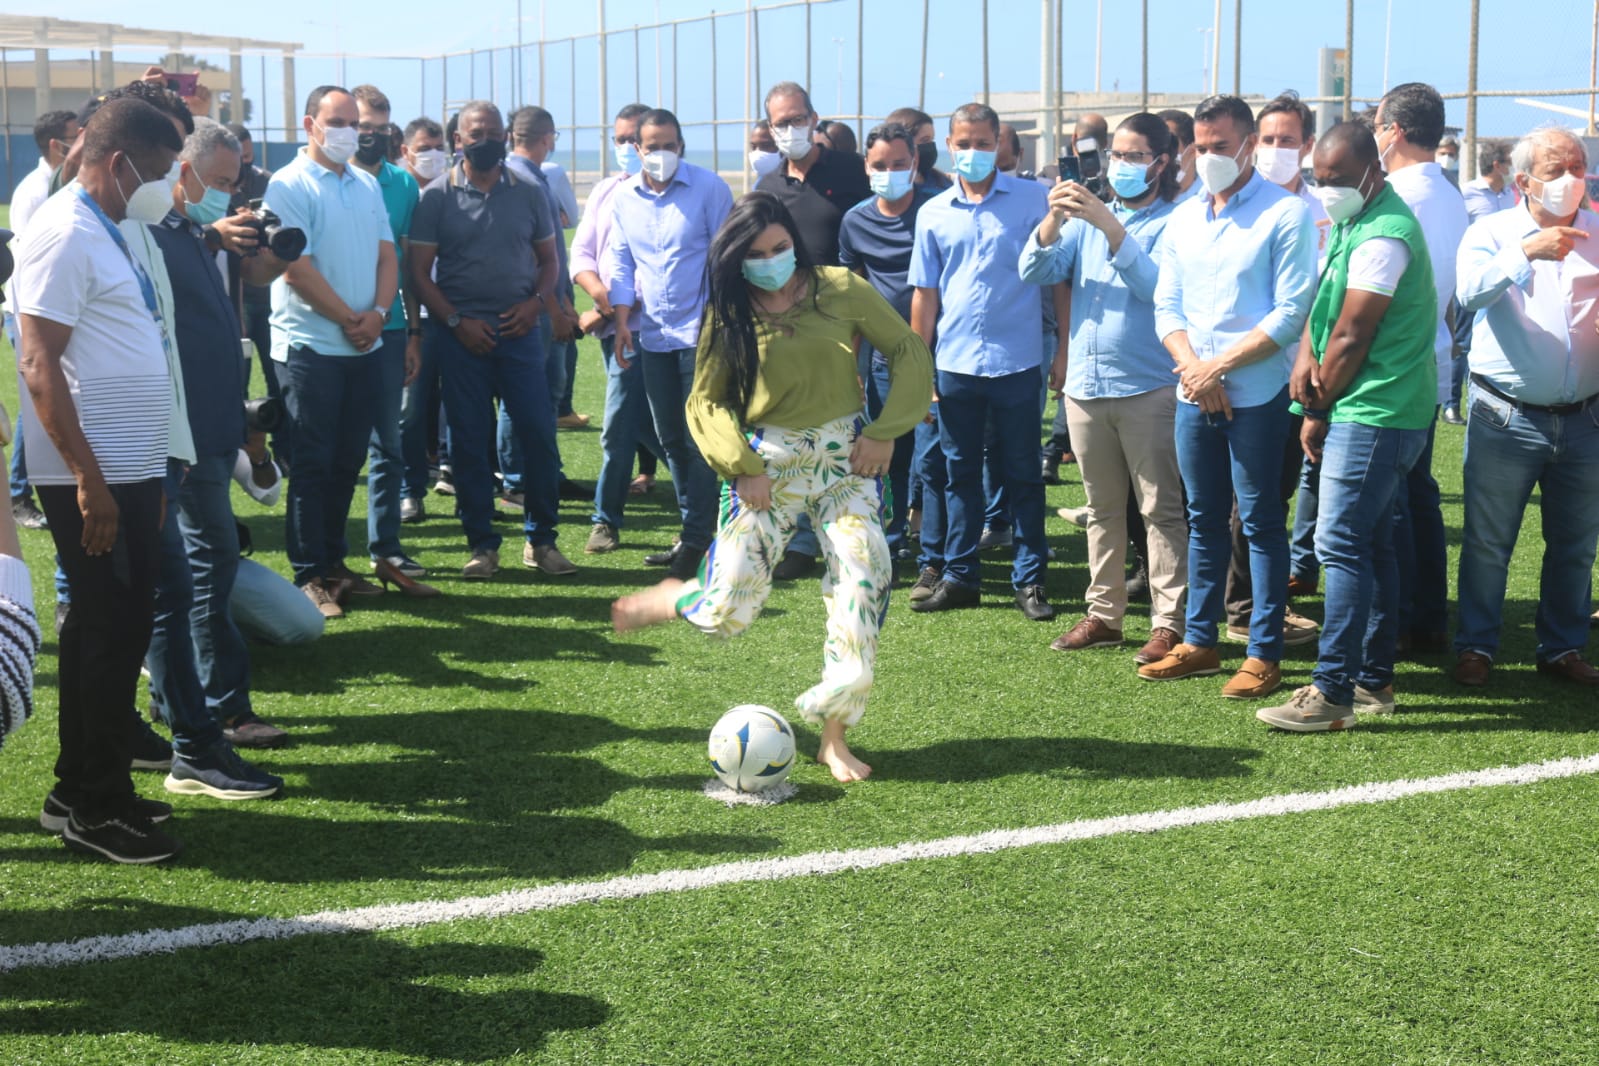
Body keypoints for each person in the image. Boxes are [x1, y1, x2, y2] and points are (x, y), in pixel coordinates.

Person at [611, 192, 933, 783]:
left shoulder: (840, 287)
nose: (772, 260)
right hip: (767, 468)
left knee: (865, 582)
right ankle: (680, 596)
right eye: (757, 253)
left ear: (795, 242)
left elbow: (907, 348)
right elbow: (706, 399)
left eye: (781, 247)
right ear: (737, 259)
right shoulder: (729, 312)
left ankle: (833, 739)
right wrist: (741, 466)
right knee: (729, 609)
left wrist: (886, 432)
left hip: (846, 465)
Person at [15, 97, 185, 863]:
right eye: (154, 172)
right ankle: (98, 808)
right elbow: (37, 362)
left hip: (128, 470)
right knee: (111, 635)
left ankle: (77, 787)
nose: (162, 187)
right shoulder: (61, 232)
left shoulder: (104, 227)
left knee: (107, 630)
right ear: (117, 164)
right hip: (97, 476)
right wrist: (91, 480)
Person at [1258, 123, 1437, 731]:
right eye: (1318, 179)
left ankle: (1333, 691)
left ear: (1371, 172)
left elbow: (1354, 332)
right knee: (1372, 542)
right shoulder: (1355, 223)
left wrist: (1316, 405)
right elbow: (1322, 310)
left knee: (1339, 545)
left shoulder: (1386, 234)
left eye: (1336, 180)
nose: (1324, 189)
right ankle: (1371, 679)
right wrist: (1307, 375)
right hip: (1366, 407)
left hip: (1379, 410)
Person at [1139, 94, 1316, 699]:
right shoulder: (1185, 217)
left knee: (1262, 522)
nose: (1209, 156)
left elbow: (1292, 311)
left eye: (1221, 146)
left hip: (1259, 395)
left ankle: (1263, 652)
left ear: (1249, 144)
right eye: (1200, 146)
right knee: (1202, 520)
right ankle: (1201, 642)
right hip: (1196, 391)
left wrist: (1220, 367)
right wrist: (1195, 369)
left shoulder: (1285, 214)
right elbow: (1167, 305)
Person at [144, 121, 293, 798]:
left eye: (239, 184)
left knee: (201, 568)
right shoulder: (147, 231)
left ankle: (199, 708)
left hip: (207, 427)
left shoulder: (189, 232)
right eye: (225, 183)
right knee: (185, 574)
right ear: (185, 171)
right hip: (170, 433)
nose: (234, 197)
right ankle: (207, 714)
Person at [1019, 112, 1189, 668]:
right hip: (1086, 389)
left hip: (1149, 386)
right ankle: (1105, 615)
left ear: (1162, 163)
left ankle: (1169, 621)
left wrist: (1113, 231)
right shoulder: (1087, 220)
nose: (1122, 165)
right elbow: (1034, 270)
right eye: (1117, 154)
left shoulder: (1178, 222)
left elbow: (1156, 288)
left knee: (1161, 509)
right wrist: (1053, 221)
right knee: (1101, 508)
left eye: (1135, 156)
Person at [1452, 125, 1599, 688]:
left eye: (1579, 168)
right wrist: (1524, 252)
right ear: (1523, 182)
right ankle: (1476, 647)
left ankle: (1562, 646)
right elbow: (1467, 296)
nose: (1571, 180)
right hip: (1505, 415)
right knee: (1490, 542)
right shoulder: (1491, 231)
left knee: (1576, 544)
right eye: (1557, 170)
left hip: (1584, 417)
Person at [908, 102, 1057, 621]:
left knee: (1023, 474)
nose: (972, 152)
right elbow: (925, 295)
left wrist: (1056, 352)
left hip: (1018, 361)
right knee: (959, 474)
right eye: (963, 143)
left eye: (982, 142)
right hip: (955, 362)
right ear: (949, 145)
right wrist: (916, 364)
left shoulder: (1034, 199)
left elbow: (1056, 275)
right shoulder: (933, 212)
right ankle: (960, 574)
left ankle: (1030, 578)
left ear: (1000, 144)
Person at [410, 101, 570, 580]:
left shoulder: (529, 192)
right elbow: (418, 274)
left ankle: (541, 541)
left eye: (494, 132)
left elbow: (549, 262)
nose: (486, 141)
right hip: (462, 338)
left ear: (506, 135)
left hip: (520, 332)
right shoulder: (436, 198)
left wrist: (536, 304)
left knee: (539, 436)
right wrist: (456, 321)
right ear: (458, 140)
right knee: (468, 444)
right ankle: (482, 544)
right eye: (475, 133)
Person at [265, 85, 399, 615]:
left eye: (356, 122)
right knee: (312, 464)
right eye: (338, 121)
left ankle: (335, 564)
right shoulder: (288, 184)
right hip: (311, 348)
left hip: (363, 346)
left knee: (347, 462)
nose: (352, 132)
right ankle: (309, 575)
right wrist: (351, 319)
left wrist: (379, 317)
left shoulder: (366, 184)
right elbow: (295, 270)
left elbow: (388, 256)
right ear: (310, 125)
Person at [609, 108, 735, 582]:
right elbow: (620, 261)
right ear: (636, 149)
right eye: (651, 146)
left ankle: (701, 540)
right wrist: (623, 320)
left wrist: (723, 325)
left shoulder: (710, 189)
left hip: (703, 335)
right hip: (653, 335)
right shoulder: (624, 198)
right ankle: (694, 533)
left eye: (670, 145)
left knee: (701, 440)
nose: (661, 154)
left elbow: (726, 259)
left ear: (682, 146)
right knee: (670, 440)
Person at [756, 83, 872, 581]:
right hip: (790, 329)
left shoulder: (853, 170)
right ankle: (802, 542)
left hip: (853, 322)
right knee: (800, 430)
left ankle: (864, 532)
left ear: (815, 118)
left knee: (853, 429)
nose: (789, 130)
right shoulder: (768, 187)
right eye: (779, 123)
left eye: (797, 118)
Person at [1375, 81, 1468, 656]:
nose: (1374, 135)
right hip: (1427, 358)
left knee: (1394, 502)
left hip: (1392, 365)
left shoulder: (1398, 194)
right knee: (1417, 492)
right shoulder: (1450, 192)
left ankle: (1407, 618)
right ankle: (1428, 615)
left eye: (1378, 124)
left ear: (1396, 131)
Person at [1234, 90, 1328, 644]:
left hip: (1305, 381)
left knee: (1278, 494)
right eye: (1266, 140)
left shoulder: (1324, 211)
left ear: (1308, 146)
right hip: (1243, 373)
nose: (1274, 150)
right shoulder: (1237, 207)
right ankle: (1244, 608)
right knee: (1244, 500)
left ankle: (1258, 602)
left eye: (1286, 141)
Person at [839, 122, 941, 576]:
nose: (890, 172)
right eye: (880, 165)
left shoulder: (937, 211)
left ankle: (937, 553)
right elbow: (851, 296)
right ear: (866, 167)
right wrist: (850, 365)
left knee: (935, 457)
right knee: (889, 455)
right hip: (885, 359)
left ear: (915, 163)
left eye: (900, 164)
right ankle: (892, 541)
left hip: (941, 355)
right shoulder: (855, 220)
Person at [349, 85, 436, 599]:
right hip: (333, 331)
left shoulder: (403, 184)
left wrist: (414, 332)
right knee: (334, 450)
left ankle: (385, 547)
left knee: (389, 444)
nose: (369, 137)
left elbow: (407, 268)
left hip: (393, 329)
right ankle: (324, 558)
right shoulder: (311, 183)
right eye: (361, 128)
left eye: (379, 129)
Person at [571, 102, 667, 556]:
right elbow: (583, 255)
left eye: (636, 140)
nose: (629, 148)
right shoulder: (607, 191)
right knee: (638, 426)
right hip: (616, 332)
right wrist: (603, 303)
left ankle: (607, 519)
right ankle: (609, 521)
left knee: (636, 427)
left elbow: (659, 271)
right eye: (621, 140)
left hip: (655, 331)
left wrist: (605, 311)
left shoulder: (669, 196)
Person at [504, 106, 587, 510]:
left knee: (548, 393)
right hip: (534, 307)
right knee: (523, 395)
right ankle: (517, 480)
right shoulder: (523, 180)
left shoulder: (535, 176)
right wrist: (553, 306)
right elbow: (534, 256)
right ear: (548, 137)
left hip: (550, 302)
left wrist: (564, 301)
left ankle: (545, 472)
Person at [8, 109, 80, 531]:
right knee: (37, 402)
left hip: (47, 312)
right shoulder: (35, 191)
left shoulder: (58, 186)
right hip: (28, 314)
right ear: (57, 144)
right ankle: (18, 493)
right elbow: (26, 262)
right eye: (76, 137)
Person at [887, 106, 953, 189]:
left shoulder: (942, 183)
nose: (931, 146)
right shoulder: (884, 186)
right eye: (925, 140)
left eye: (932, 140)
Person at [1158, 108, 1199, 201]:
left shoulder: (1211, 202)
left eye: (1169, 144)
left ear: (1193, 151)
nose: (1161, 156)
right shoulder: (1143, 201)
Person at [399, 116, 448, 187]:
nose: (434, 154)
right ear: (405, 151)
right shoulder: (395, 188)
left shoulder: (451, 191)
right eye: (425, 149)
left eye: (439, 148)